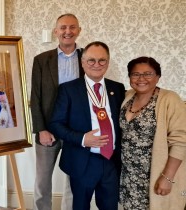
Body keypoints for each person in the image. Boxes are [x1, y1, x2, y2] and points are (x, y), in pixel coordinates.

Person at [48, 41, 125, 210]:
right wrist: (83, 138)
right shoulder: (68, 89)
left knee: (110, 206)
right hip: (83, 160)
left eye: (102, 60)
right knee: (81, 206)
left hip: (111, 161)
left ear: (108, 62)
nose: (96, 65)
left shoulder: (117, 88)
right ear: (83, 63)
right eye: (91, 60)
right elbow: (56, 124)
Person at [119, 56, 186, 210]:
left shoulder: (169, 99)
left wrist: (167, 177)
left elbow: (181, 140)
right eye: (135, 74)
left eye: (148, 74)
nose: (141, 78)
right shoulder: (127, 97)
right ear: (129, 77)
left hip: (156, 175)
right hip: (128, 176)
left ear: (158, 77)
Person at [29, 13, 84, 210]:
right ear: (55, 31)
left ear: (79, 31)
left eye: (72, 27)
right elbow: (35, 97)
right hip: (48, 130)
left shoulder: (88, 58)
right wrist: (41, 129)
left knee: (74, 182)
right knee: (43, 181)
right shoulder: (42, 60)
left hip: (77, 131)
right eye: (63, 27)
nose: (67, 31)